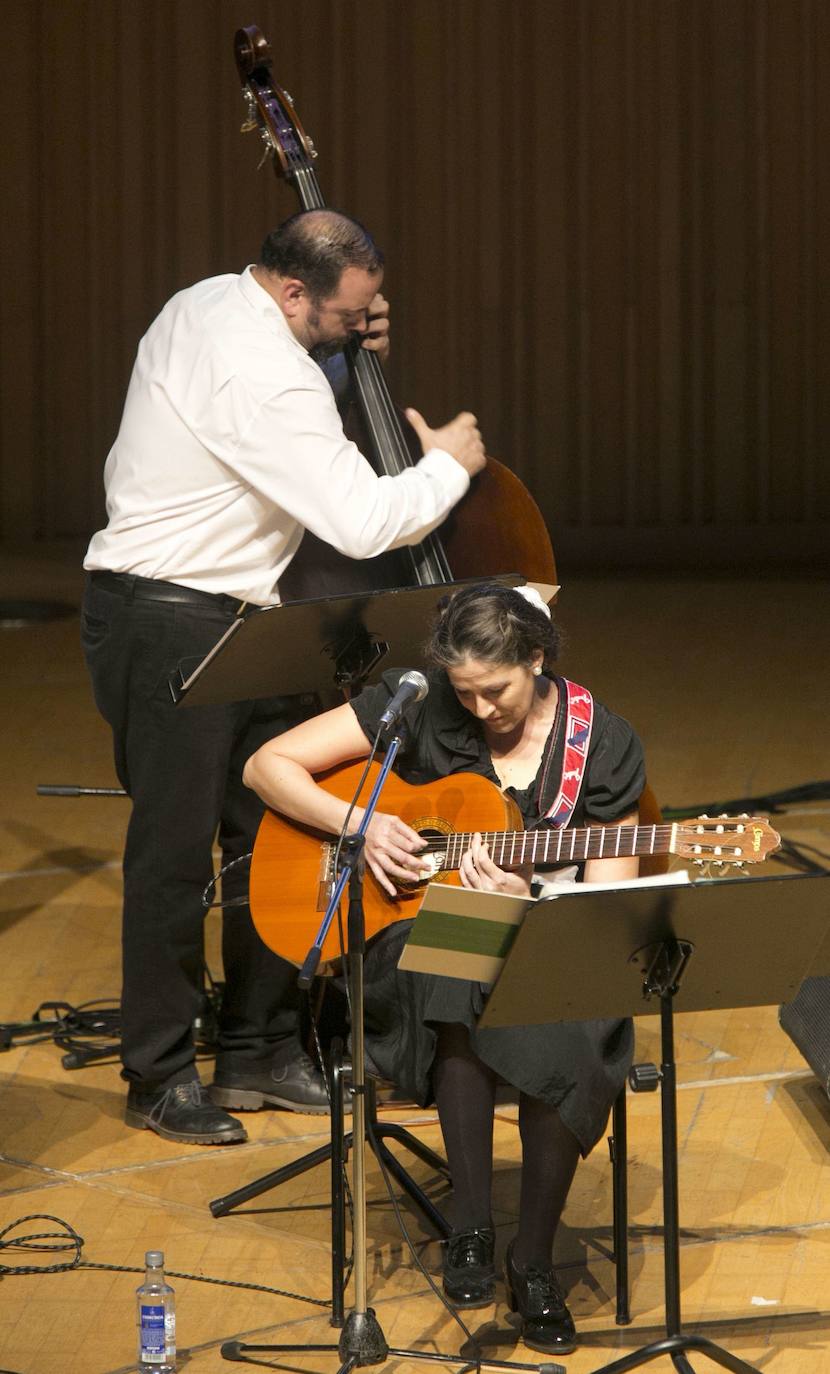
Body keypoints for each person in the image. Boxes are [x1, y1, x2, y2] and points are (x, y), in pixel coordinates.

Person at [81, 208, 485, 1146]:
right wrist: (446, 467)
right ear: (295, 292)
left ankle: (258, 1049)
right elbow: (360, 520)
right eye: (350, 313)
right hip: (169, 617)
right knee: (175, 855)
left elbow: (292, 412)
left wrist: (340, 352)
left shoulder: (213, 301)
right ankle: (159, 1075)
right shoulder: (260, 370)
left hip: (243, 615)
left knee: (274, 827)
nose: (365, 322)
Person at [243, 582, 645, 1354]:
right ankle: (468, 1223)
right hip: (411, 934)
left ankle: (531, 1258)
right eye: (465, 692)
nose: (482, 708)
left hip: (549, 932)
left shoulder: (602, 742)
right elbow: (269, 766)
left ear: (536, 657)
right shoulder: (420, 705)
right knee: (459, 954)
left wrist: (527, 895)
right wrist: (359, 824)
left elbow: (607, 905)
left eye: (494, 690)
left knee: (575, 1012)